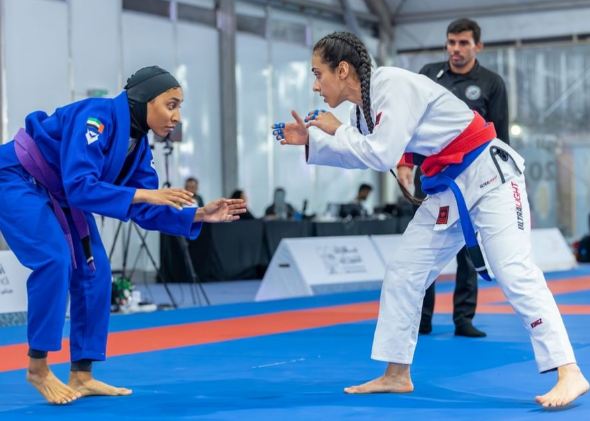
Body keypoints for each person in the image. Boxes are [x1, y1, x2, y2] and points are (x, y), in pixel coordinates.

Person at [274, 31, 588, 408]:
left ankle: (569, 371)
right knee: (404, 270)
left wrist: (335, 129)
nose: (315, 85)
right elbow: (361, 152)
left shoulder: (392, 85)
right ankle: (396, 373)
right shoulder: (361, 110)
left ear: (342, 70)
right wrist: (311, 141)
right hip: (448, 189)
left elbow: (380, 153)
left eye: (317, 74)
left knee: (514, 269)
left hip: (490, 176)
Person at [0, 66, 246, 405]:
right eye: (171, 105)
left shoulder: (138, 146)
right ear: (145, 99)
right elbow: (81, 186)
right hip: (18, 177)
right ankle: (38, 368)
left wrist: (199, 214)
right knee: (54, 259)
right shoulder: (95, 117)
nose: (176, 117)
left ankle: (82, 374)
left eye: (179, 107)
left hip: (62, 194)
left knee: (96, 271)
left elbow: (146, 208)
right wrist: (144, 194)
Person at [397, 18, 509, 338]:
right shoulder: (428, 74)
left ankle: (464, 318)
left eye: (463, 43)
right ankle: (421, 318)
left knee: (467, 248)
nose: (455, 49)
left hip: (473, 178)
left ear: (478, 46)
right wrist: (404, 162)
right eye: (451, 42)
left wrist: (501, 179)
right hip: (431, 176)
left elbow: (499, 135)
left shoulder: (491, 83)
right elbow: (409, 122)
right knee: (424, 248)